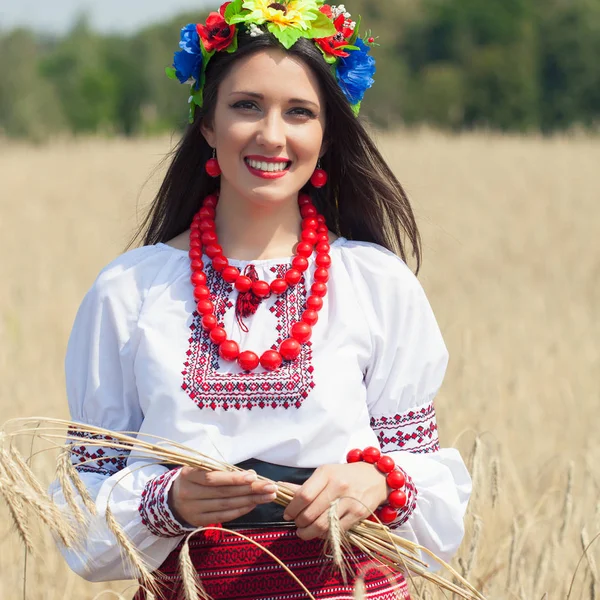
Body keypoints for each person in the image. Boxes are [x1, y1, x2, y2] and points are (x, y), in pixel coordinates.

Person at [52, 2, 471, 598]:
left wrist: (377, 482)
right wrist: (168, 501)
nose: (272, 135)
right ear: (206, 124)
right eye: (246, 106)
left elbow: (433, 499)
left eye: (299, 113)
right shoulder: (130, 291)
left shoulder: (377, 284)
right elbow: (78, 520)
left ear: (326, 138)